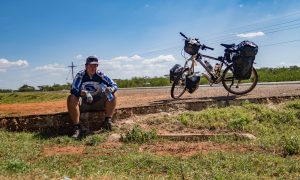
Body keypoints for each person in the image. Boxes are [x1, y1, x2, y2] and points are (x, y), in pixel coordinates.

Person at [67, 56, 118, 139]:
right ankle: (77, 128)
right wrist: (81, 92)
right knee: (71, 97)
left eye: (95, 66)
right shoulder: (80, 75)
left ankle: (108, 121)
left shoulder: (100, 75)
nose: (93, 68)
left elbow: (114, 85)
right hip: (84, 103)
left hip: (98, 102)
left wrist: (110, 89)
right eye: (91, 65)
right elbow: (73, 89)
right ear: (86, 66)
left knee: (113, 95)